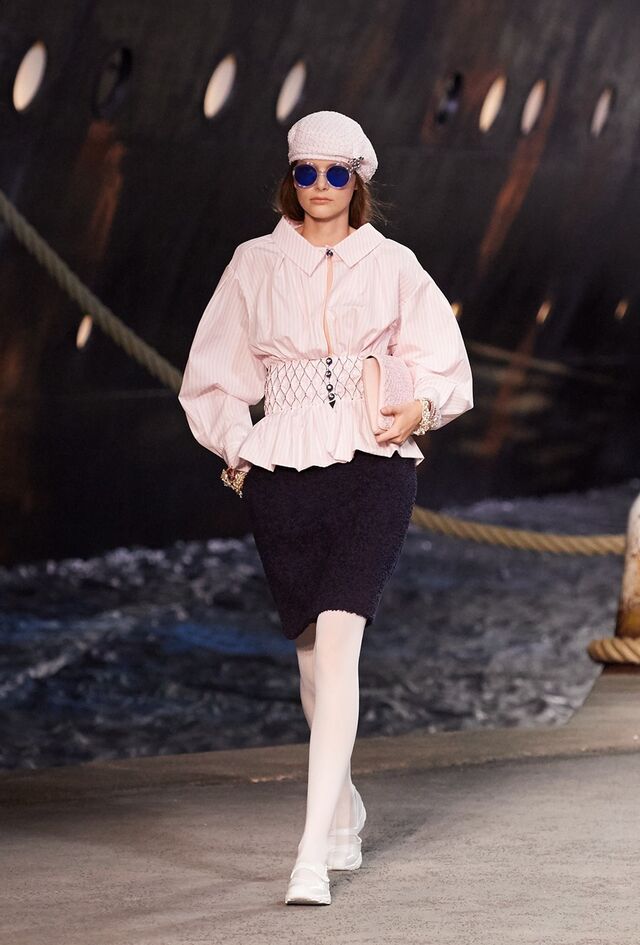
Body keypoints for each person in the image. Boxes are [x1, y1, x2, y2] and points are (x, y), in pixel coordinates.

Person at [178, 110, 473, 906]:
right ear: (291, 178)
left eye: (335, 173)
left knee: (339, 645)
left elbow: (447, 367)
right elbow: (211, 377)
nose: (319, 185)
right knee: (312, 661)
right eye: (305, 171)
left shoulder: (394, 264)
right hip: (283, 472)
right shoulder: (254, 263)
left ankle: (310, 854)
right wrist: (239, 449)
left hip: (373, 464)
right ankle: (343, 811)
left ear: (357, 181)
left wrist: (420, 410)